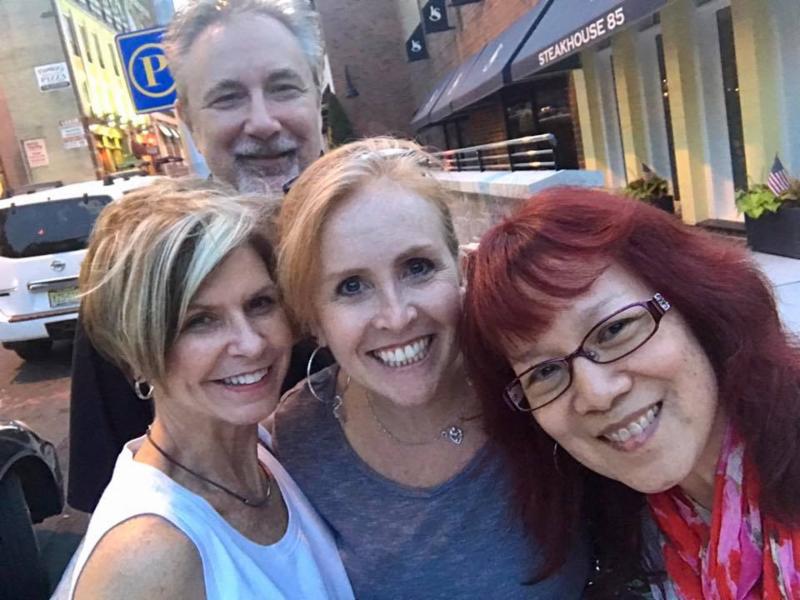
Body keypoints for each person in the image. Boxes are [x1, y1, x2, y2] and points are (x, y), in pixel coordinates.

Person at [271, 137, 590, 598]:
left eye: (417, 267)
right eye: (352, 286)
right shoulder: (296, 441)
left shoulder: (536, 376)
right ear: (314, 320)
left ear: (460, 270)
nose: (397, 316)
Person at [461, 187, 800, 598]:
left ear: (695, 306)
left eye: (614, 330)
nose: (596, 394)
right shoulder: (624, 538)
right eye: (545, 371)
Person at [67, 0, 330, 513]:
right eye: (228, 98)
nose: (262, 122)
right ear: (187, 118)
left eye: (284, 88)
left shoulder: (385, 249)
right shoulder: (139, 278)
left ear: (317, 96)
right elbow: (107, 505)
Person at [59, 178, 353, 599]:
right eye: (200, 321)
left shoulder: (273, 452)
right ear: (135, 352)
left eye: (260, 304)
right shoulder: (148, 556)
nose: (251, 344)